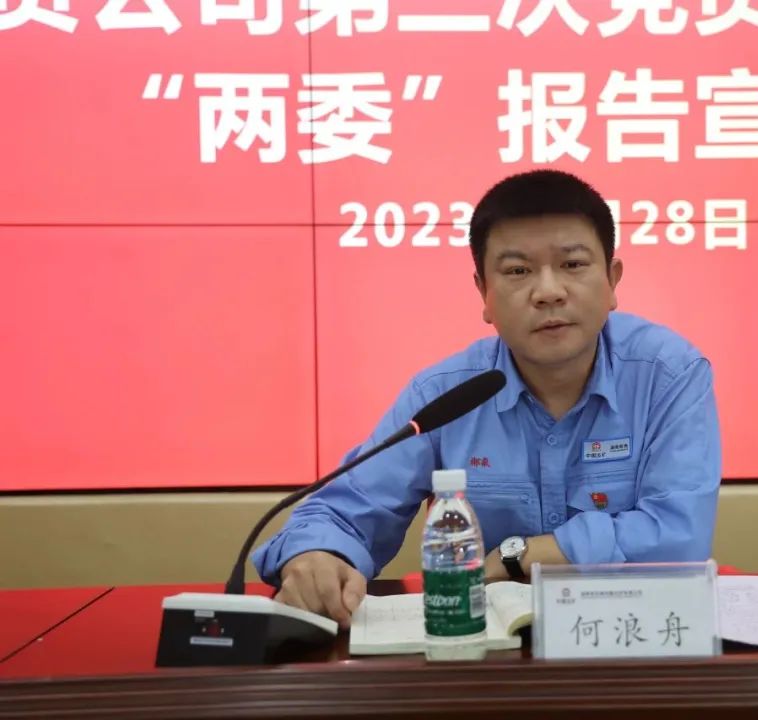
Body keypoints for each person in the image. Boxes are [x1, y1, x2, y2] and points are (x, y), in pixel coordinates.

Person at [252, 169, 721, 628]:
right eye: (518, 271)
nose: (548, 292)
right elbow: (344, 511)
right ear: (484, 293)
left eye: (573, 265)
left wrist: (527, 555)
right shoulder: (444, 396)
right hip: (483, 655)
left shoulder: (669, 376)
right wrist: (318, 554)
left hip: (632, 642)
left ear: (613, 280)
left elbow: (679, 538)